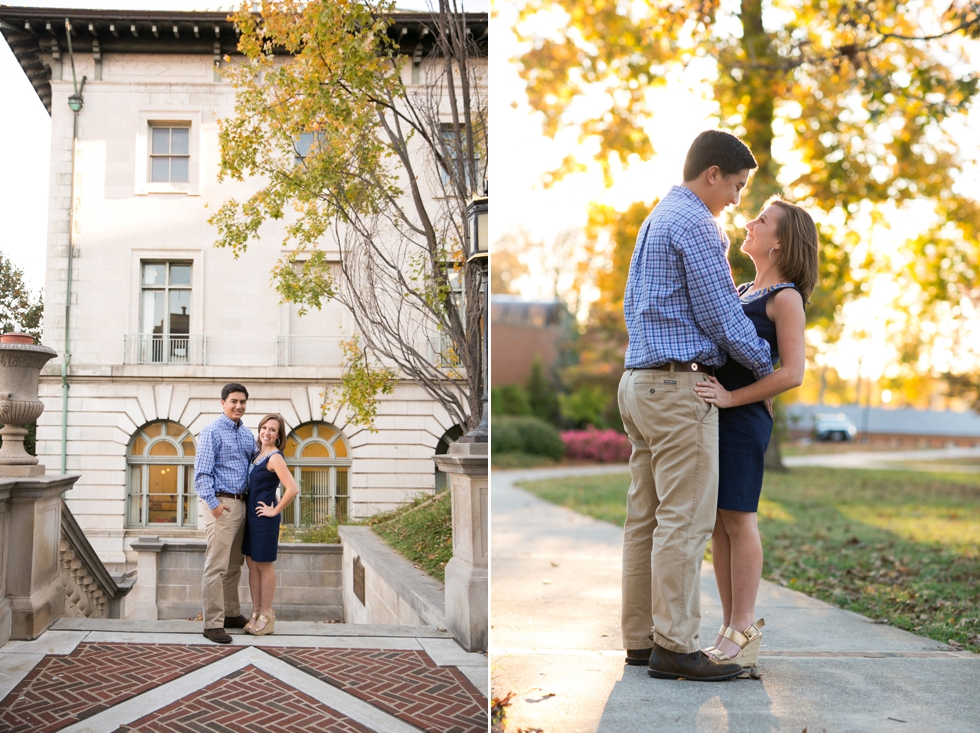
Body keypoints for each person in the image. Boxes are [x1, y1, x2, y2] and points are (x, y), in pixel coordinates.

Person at [619, 130, 774, 681]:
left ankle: (641, 640)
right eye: (735, 185)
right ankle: (676, 646)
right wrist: (765, 364)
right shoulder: (696, 225)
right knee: (684, 522)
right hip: (677, 389)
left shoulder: (658, 216)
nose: (736, 199)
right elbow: (723, 319)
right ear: (713, 174)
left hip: (638, 382)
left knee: (644, 519)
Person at [693, 198, 818, 667]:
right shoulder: (743, 288)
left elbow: (793, 373)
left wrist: (729, 398)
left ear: (780, 241)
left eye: (761, 220)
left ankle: (742, 630)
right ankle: (728, 630)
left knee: (740, 521)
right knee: (720, 527)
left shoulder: (785, 298)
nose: (749, 222)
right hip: (718, 416)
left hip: (743, 420)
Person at [195, 383, 256, 644]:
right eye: (233, 401)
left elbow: (256, 466)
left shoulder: (247, 434)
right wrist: (214, 505)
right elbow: (202, 474)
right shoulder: (211, 432)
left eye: (242, 401)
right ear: (223, 403)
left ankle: (231, 613)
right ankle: (212, 623)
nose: (238, 406)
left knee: (234, 565)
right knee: (216, 566)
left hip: (243, 504)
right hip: (221, 504)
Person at [242, 414, 299, 636]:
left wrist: (274, 510)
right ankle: (255, 612)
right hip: (251, 517)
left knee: (264, 565)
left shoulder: (275, 458)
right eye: (264, 428)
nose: (267, 432)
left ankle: (266, 614)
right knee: (251, 564)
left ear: (278, 435)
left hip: (264, 520)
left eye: (272, 429)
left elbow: (292, 488)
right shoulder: (258, 454)